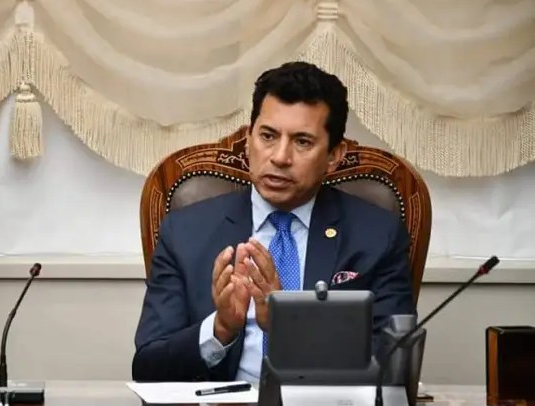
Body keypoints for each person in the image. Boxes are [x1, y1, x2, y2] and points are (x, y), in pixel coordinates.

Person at [132, 61, 415, 382]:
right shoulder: (185, 232)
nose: (280, 157)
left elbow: (393, 366)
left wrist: (289, 329)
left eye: (302, 141)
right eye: (268, 136)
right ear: (248, 139)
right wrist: (221, 328)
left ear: (334, 156)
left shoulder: (376, 235)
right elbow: (148, 368)